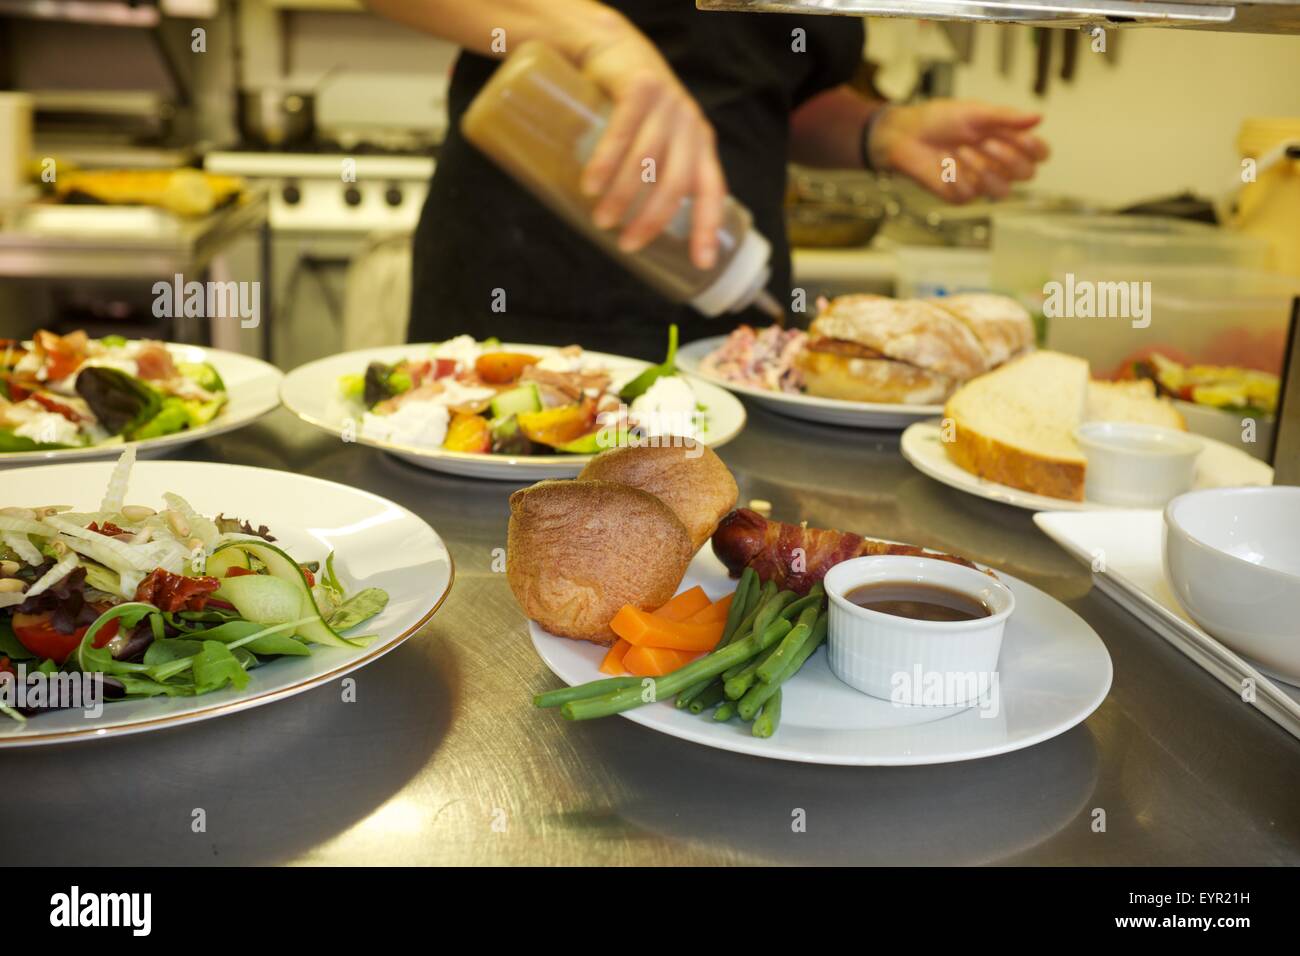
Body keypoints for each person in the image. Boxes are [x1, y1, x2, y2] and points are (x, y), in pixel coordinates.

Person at [366, 0, 1049, 359]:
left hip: (731, 306)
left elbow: (755, 91)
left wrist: (882, 131)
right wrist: (602, 38)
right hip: (529, 284)